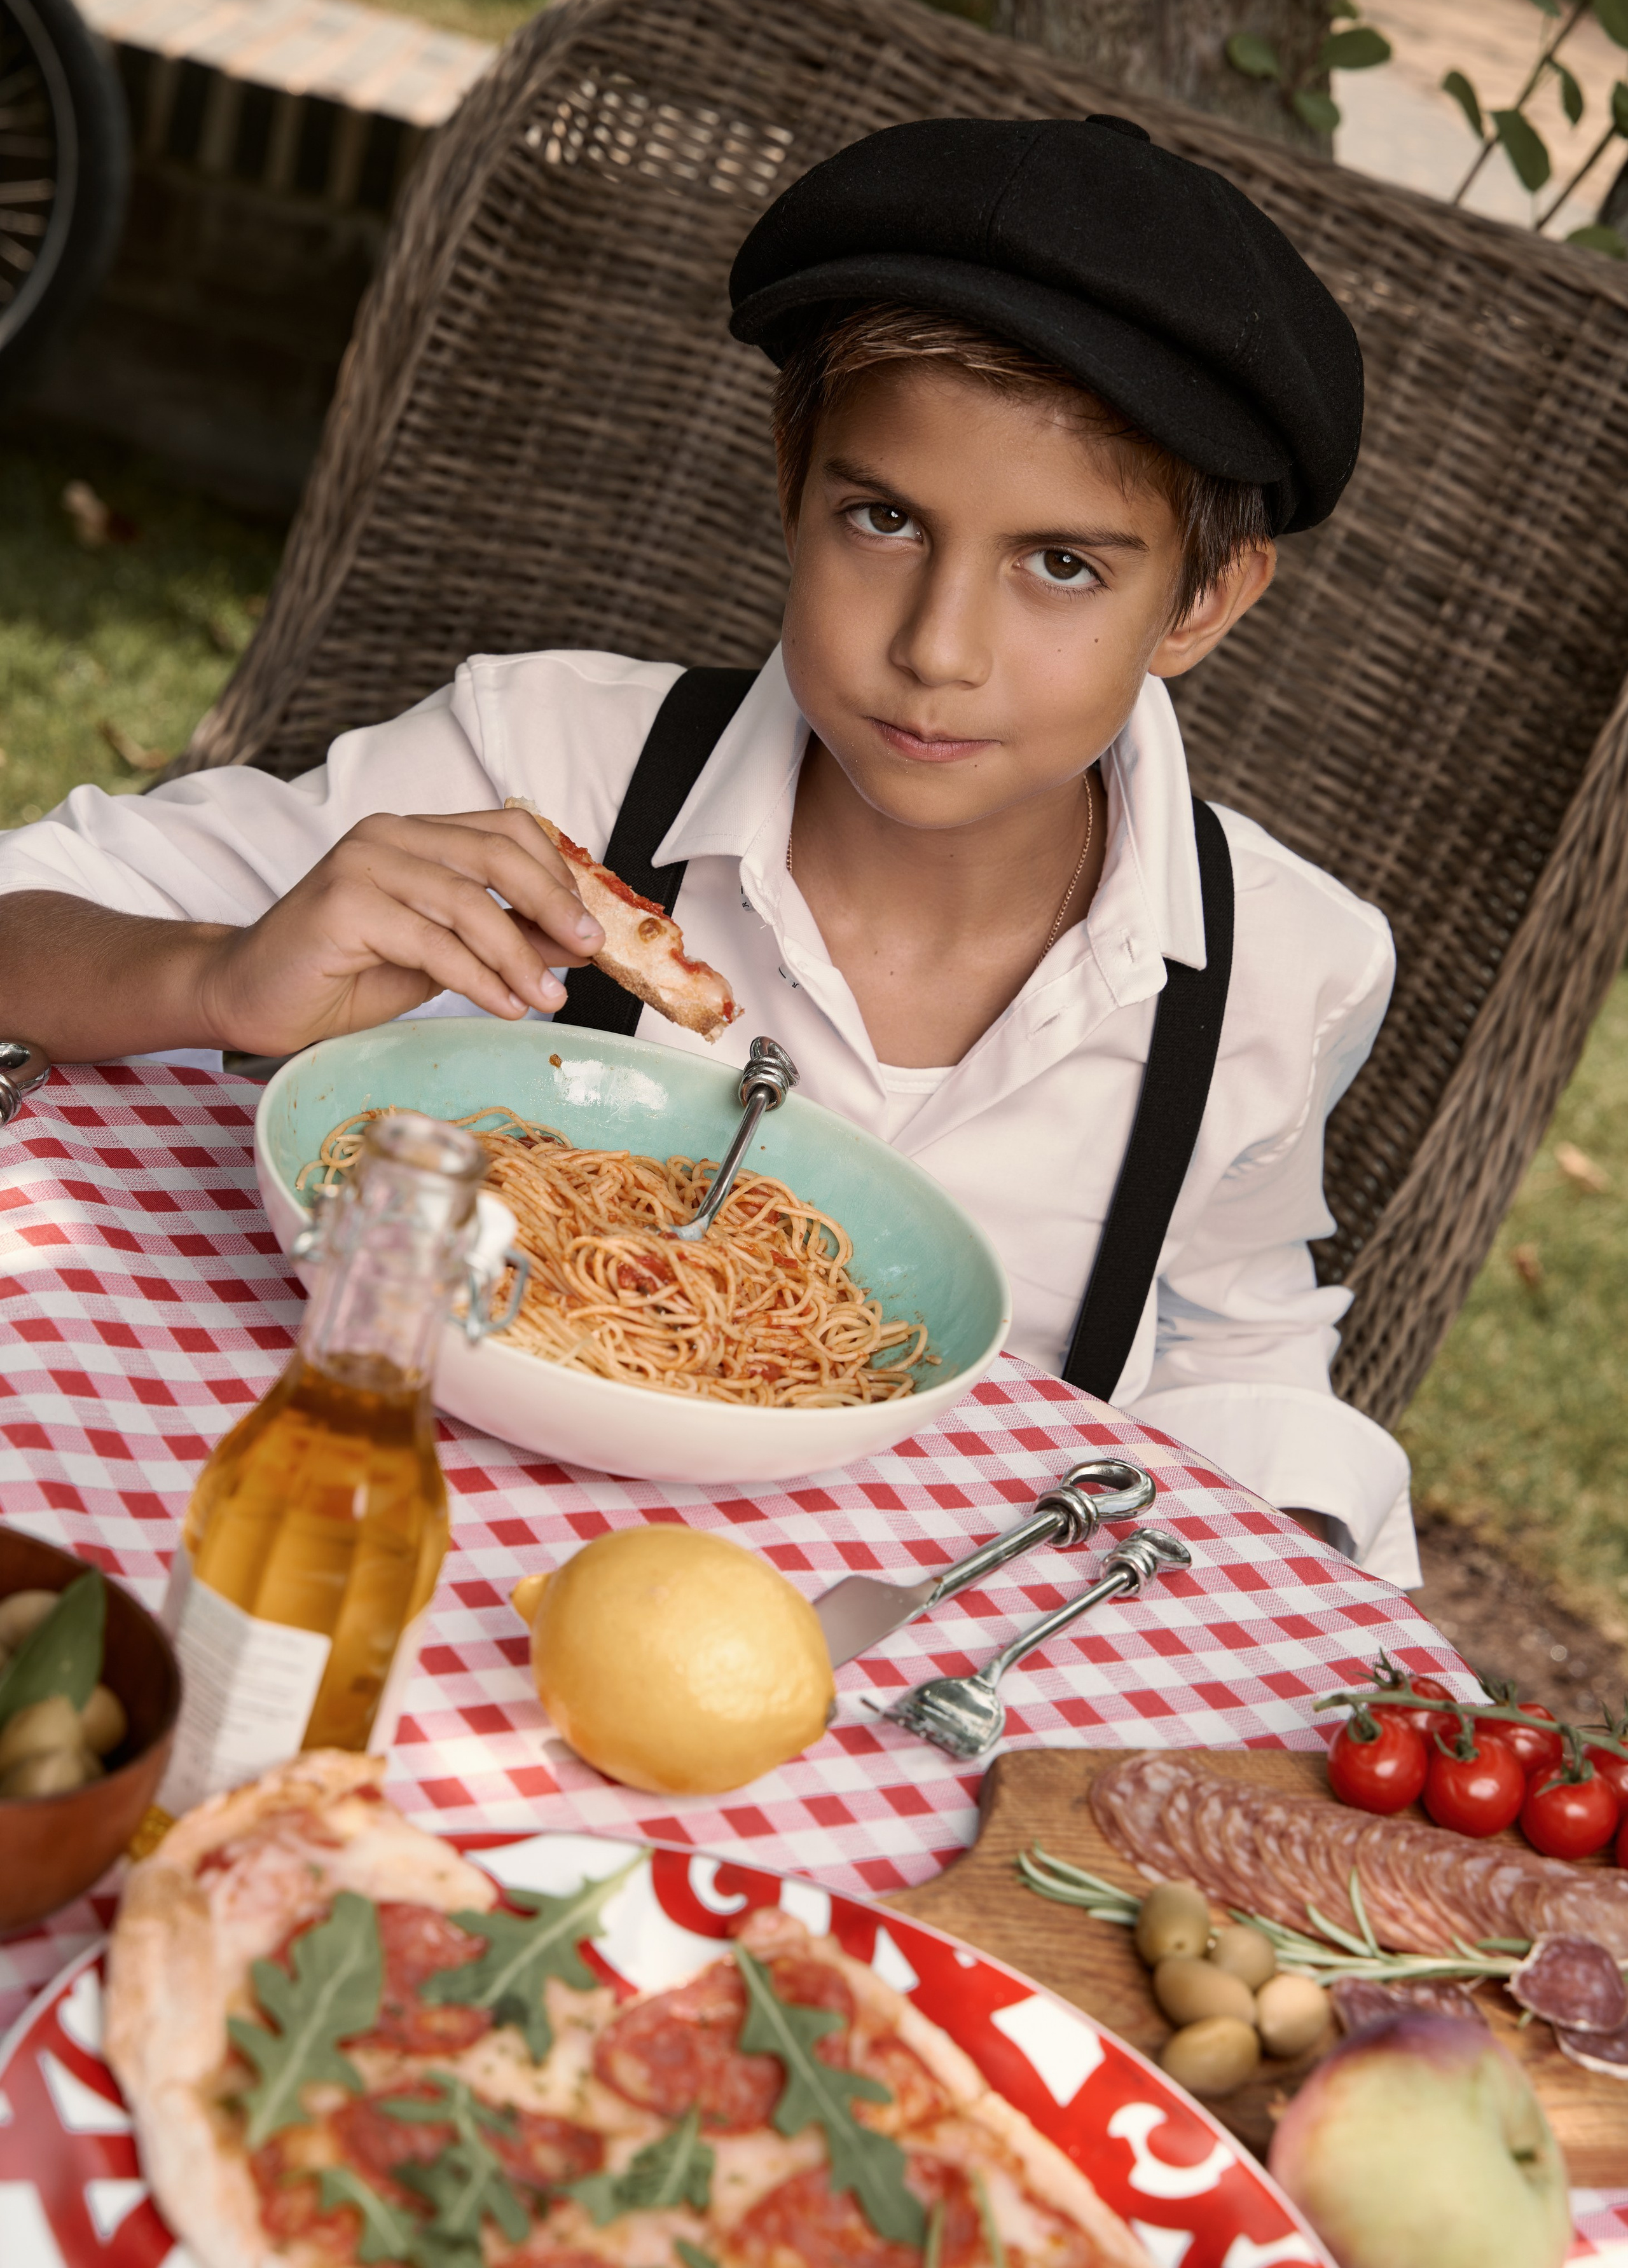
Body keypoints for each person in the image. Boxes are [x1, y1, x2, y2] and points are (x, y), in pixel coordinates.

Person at [0, 116, 1415, 1582]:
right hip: (416, 1561)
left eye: (1060, 564)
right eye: (881, 519)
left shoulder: (1282, 972)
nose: (938, 648)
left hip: (902, 1683)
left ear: (1201, 600)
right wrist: (223, 979)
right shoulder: (541, 764)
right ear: (790, 480)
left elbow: (1227, 1338)